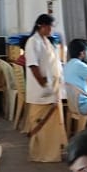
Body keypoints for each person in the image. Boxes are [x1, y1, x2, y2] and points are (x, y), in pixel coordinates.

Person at [24, 13, 67, 162]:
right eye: (50, 27)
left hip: (52, 88)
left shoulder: (46, 41)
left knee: (53, 126)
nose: (51, 30)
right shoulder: (32, 42)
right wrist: (43, 84)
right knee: (41, 123)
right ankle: (41, 153)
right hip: (41, 89)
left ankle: (53, 152)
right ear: (41, 26)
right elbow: (33, 65)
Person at [63, 38, 87, 115]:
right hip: (83, 106)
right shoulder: (79, 65)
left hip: (73, 105)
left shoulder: (67, 65)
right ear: (82, 53)